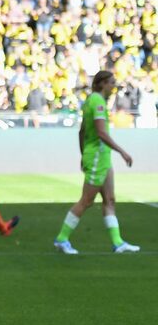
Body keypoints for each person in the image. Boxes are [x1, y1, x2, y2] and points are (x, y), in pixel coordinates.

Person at [53, 71, 140, 254]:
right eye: (111, 83)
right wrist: (122, 152)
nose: (113, 86)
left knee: (109, 199)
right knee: (86, 200)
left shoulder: (91, 101)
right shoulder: (98, 102)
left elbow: (82, 131)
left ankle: (118, 243)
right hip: (98, 157)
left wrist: (82, 154)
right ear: (102, 84)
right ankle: (61, 238)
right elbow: (101, 133)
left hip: (101, 157)